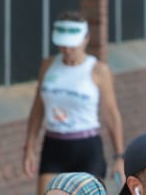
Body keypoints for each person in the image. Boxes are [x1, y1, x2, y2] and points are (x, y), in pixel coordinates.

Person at [21, 15, 123, 179]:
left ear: (86, 39)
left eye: (73, 45)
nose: (67, 50)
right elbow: (38, 109)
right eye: (63, 45)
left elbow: (111, 114)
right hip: (53, 145)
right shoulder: (48, 65)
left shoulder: (98, 70)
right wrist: (29, 148)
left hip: (86, 146)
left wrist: (119, 157)